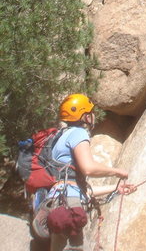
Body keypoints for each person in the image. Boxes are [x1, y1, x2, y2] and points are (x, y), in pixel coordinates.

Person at [33, 93, 136, 251]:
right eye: (90, 112)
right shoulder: (78, 133)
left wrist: (116, 189)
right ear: (84, 116)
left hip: (57, 202)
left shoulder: (59, 138)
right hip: (69, 205)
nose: (93, 116)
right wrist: (117, 172)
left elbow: (80, 189)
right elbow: (88, 168)